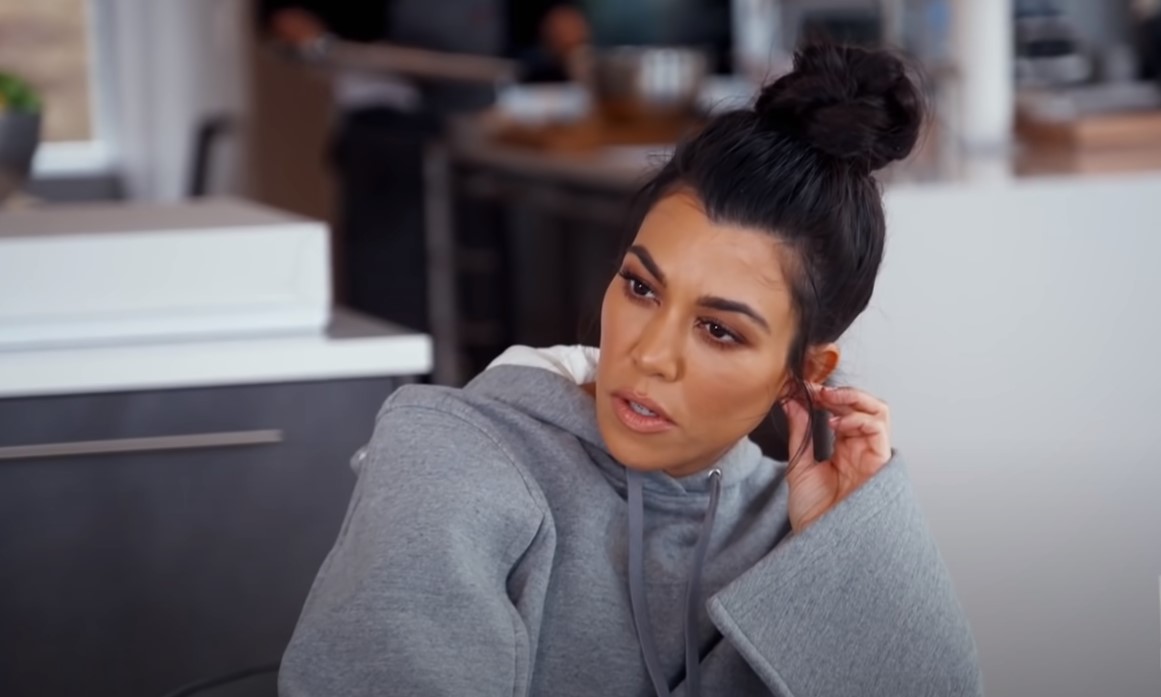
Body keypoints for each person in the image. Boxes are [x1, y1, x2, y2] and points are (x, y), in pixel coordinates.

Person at [279, 43, 982, 697]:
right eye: (641, 288)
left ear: (800, 370)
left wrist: (842, 548)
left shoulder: (794, 522)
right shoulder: (456, 459)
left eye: (718, 329)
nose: (649, 354)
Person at [257, 1, 589, 332]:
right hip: (386, 128)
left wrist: (567, 38)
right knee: (391, 280)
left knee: (487, 283)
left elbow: (557, 22)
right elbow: (287, 16)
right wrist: (309, 37)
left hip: (486, 121)